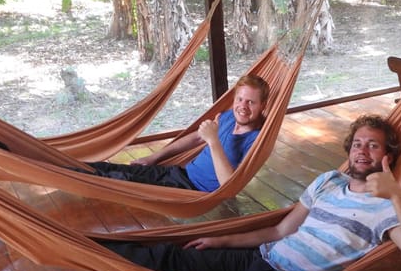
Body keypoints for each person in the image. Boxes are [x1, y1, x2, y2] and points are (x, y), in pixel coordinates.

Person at [102, 114, 401, 271]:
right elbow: (279, 232)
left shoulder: (389, 208)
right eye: (357, 144)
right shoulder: (329, 180)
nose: (362, 151)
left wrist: (396, 194)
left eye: (373, 145)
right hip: (259, 257)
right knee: (169, 256)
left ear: (388, 156)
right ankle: (89, 250)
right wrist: (222, 240)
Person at [78, 73, 269, 192]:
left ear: (263, 106)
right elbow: (195, 138)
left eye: (250, 102)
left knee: (120, 181)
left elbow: (229, 186)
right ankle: (64, 167)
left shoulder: (256, 140)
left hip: (189, 190)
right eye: (240, 99)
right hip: (178, 173)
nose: (242, 107)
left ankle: (69, 175)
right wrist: (154, 157)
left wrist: (213, 140)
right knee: (120, 169)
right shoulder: (227, 117)